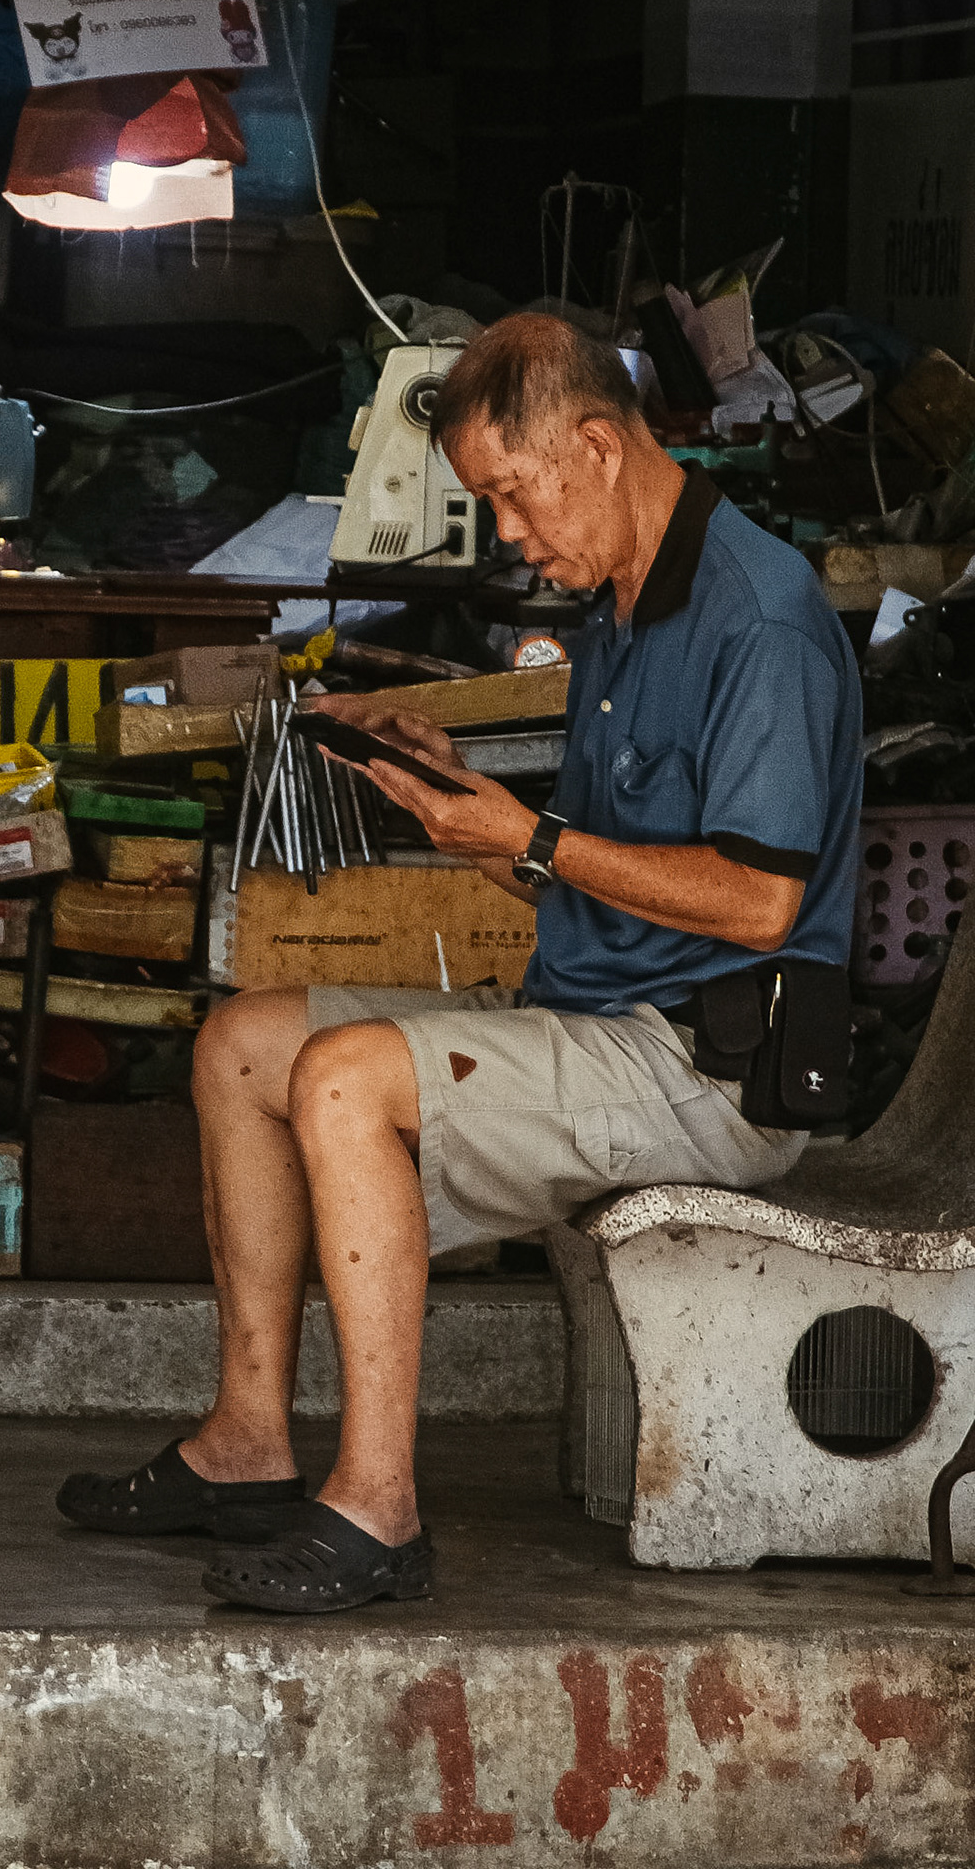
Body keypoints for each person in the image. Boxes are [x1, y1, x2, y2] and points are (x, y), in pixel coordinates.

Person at [57, 313, 862, 1613]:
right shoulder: (616, 605)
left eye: (508, 495)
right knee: (245, 1042)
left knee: (344, 1080)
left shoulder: (754, 617)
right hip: (594, 1015)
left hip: (709, 1070)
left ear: (596, 447)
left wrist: (531, 834)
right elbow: (582, 863)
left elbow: (762, 903)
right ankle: (250, 1439)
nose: (506, 536)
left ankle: (379, 1508)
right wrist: (452, 801)